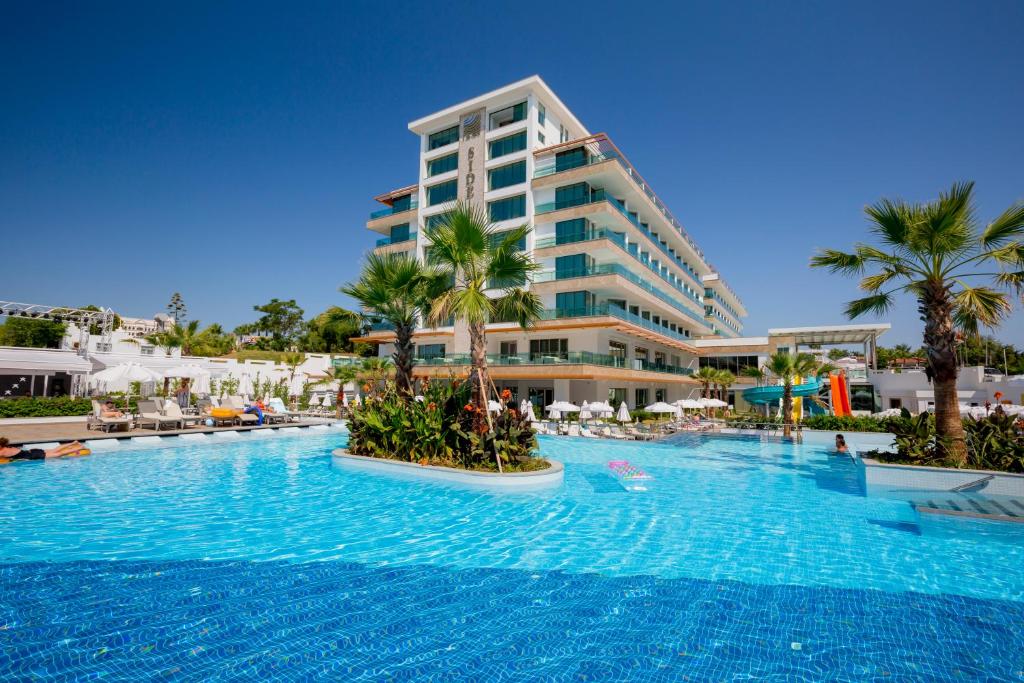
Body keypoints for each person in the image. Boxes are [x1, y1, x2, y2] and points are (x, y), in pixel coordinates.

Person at [0, 438, 90, 463]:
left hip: (34, 456)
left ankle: (79, 448)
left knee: (59, 454)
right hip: (33, 451)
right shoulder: (8, 447)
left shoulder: (2, 452)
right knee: (54, 450)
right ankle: (73, 443)